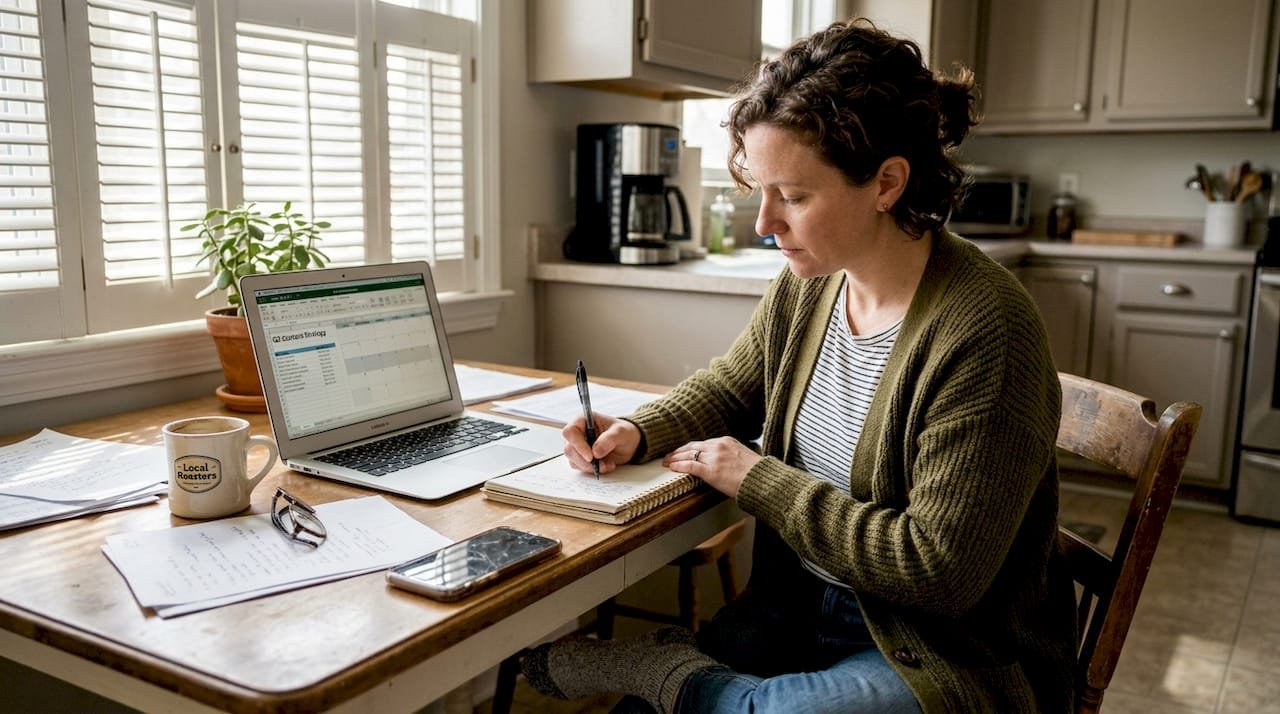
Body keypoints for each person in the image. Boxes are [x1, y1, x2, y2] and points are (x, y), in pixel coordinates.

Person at [519, 18, 1078, 714]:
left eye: (795, 196)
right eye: (760, 189)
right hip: (796, 610)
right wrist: (636, 428)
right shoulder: (811, 281)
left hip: (940, 649)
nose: (764, 223)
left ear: (887, 183)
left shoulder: (984, 327)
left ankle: (666, 673)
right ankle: (685, 685)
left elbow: (938, 574)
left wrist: (759, 479)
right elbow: (732, 385)